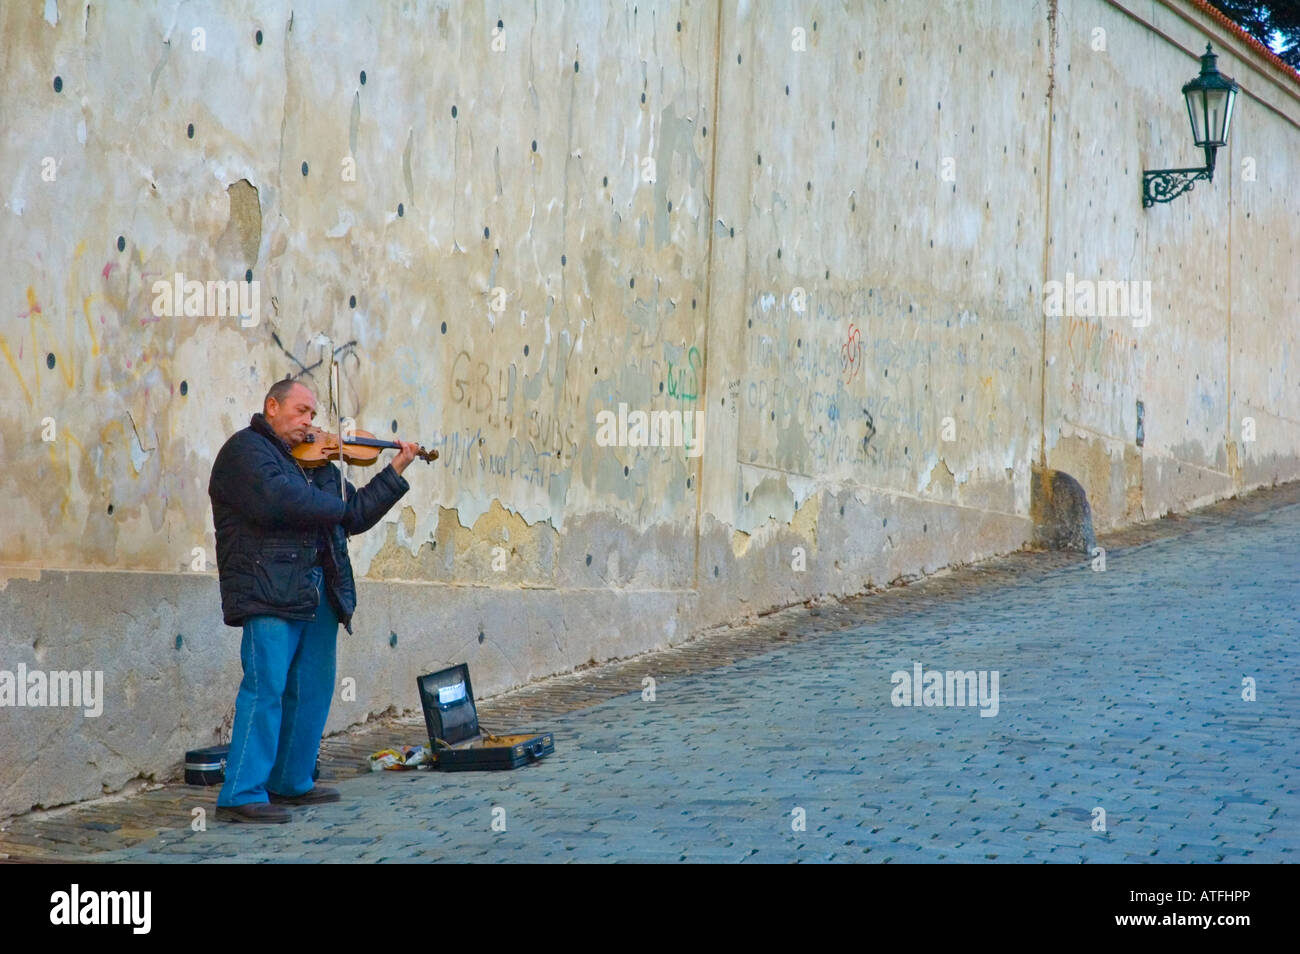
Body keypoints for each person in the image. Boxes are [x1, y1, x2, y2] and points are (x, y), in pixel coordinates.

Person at [208, 379, 417, 823]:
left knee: (313, 690)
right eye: (301, 411)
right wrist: (338, 507)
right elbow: (279, 502)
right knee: (266, 689)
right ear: (272, 406)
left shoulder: (317, 462)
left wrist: (395, 469)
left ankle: (291, 780)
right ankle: (241, 793)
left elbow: (354, 512)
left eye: (312, 414)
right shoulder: (245, 452)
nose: (310, 423)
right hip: (268, 589)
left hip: (321, 587)